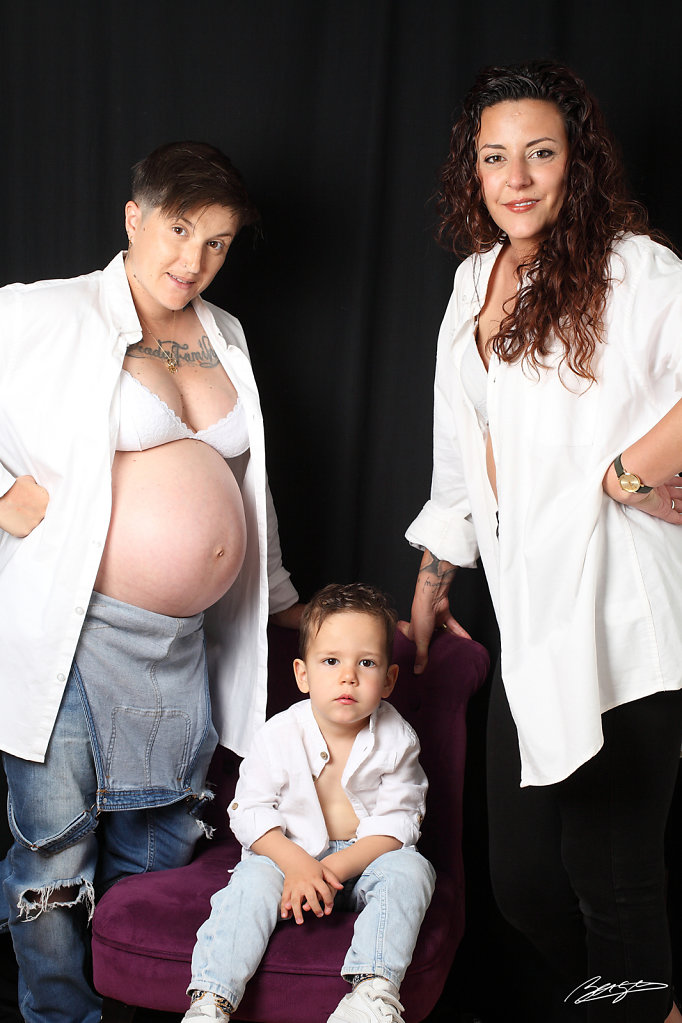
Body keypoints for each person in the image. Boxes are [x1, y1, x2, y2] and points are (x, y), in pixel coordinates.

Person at [401, 61, 682, 1022]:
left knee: (616, 881)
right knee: (523, 883)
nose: (515, 178)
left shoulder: (635, 268)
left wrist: (626, 474)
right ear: (472, 170)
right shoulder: (473, 278)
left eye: (540, 153)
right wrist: (434, 577)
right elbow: (458, 444)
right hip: (529, 615)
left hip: (620, 611)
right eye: (494, 157)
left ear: (578, 161)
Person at [0, 141, 302, 1023]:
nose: (193, 260)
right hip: (76, 633)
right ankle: (60, 1015)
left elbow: (249, 486)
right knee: (55, 855)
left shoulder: (225, 334)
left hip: (183, 646)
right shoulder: (45, 311)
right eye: (178, 230)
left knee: (161, 847)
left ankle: (127, 1003)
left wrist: (284, 598)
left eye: (217, 243)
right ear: (134, 217)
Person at [182, 582, 436, 1023]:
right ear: (303, 674)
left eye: (367, 663)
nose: (348, 676)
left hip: (362, 862)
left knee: (412, 870)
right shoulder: (278, 733)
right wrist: (298, 865)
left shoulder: (398, 738)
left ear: (389, 679)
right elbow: (249, 813)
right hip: (288, 855)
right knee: (249, 884)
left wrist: (330, 870)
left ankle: (372, 992)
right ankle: (211, 1000)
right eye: (331, 661)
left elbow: (399, 823)